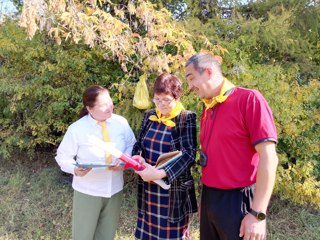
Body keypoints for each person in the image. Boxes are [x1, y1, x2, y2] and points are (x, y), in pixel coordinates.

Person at [185, 53, 279, 240]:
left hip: (239, 202)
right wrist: (208, 204)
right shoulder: (207, 107)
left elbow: (269, 158)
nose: (189, 87)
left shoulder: (250, 100)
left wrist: (258, 214)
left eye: (191, 78)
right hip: (210, 197)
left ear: (209, 72)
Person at [55, 85, 136, 240]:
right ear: (90, 108)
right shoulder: (77, 129)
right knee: (83, 236)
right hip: (88, 191)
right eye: (103, 105)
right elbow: (62, 156)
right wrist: (75, 169)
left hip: (114, 189)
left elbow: (131, 144)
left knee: (106, 235)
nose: (110, 107)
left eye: (110, 102)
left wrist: (125, 160)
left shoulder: (121, 123)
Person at [131, 73, 198, 240]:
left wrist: (160, 173)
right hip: (148, 187)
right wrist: (137, 157)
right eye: (157, 99)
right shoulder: (149, 116)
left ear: (177, 97)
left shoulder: (186, 118)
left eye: (166, 100)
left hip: (172, 191)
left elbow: (189, 154)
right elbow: (139, 144)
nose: (161, 104)